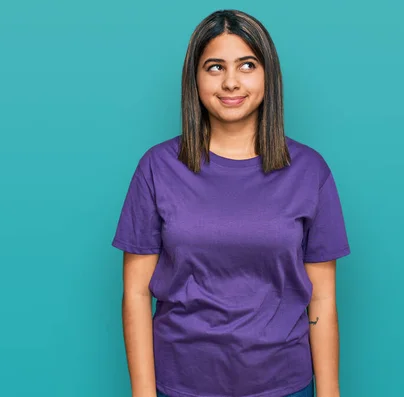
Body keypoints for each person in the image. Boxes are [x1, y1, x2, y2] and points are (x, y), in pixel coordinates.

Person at [111, 9, 351, 397]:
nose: (231, 82)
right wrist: (143, 392)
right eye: (215, 67)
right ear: (195, 79)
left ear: (267, 74)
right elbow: (136, 293)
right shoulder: (157, 168)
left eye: (247, 65)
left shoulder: (310, 171)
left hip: (284, 384)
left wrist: (329, 392)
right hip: (180, 385)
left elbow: (322, 297)